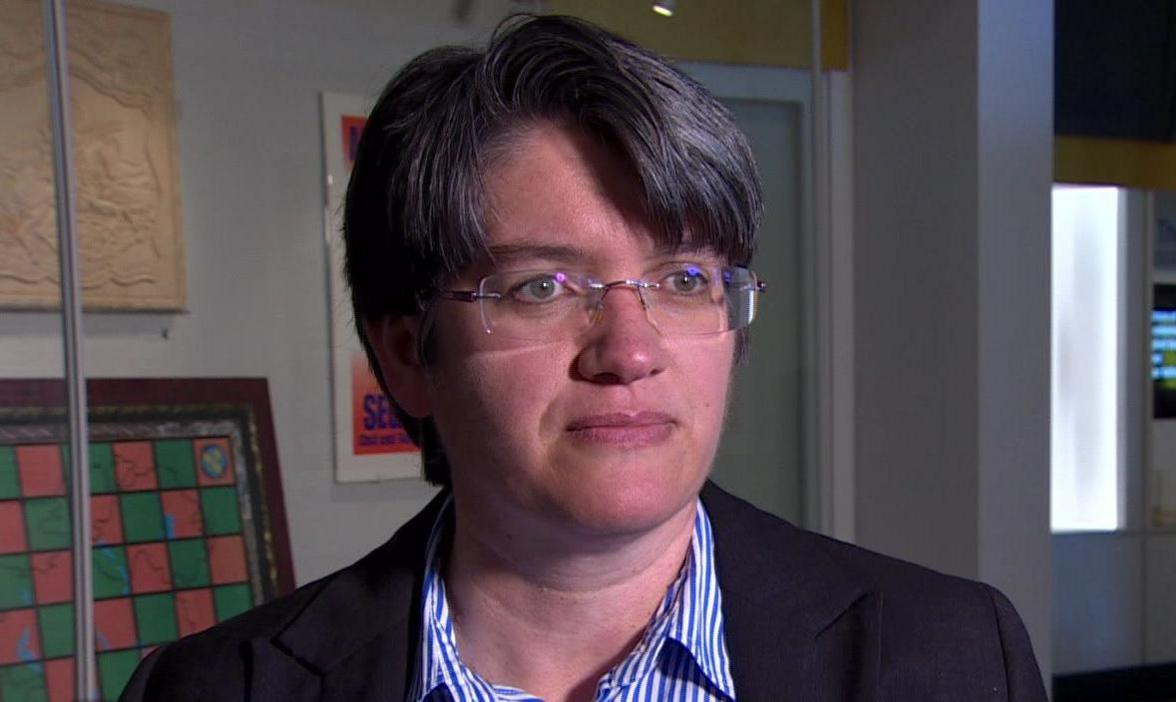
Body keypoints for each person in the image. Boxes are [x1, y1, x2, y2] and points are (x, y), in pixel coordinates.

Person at [122, 14, 1047, 702]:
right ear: (406, 355)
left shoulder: (947, 657)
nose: (631, 350)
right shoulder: (220, 690)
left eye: (683, 280)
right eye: (541, 288)